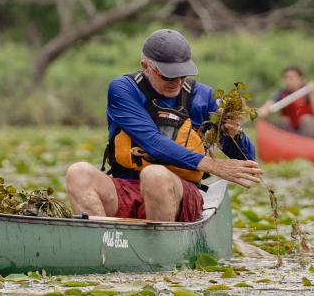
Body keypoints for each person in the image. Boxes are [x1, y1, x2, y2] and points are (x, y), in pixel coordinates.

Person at [65, 29, 264, 222]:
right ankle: (102, 244)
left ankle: (158, 252)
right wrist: (212, 165)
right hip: (126, 188)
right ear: (145, 66)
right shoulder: (123, 90)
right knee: (78, 172)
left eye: (183, 75)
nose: (177, 82)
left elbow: (246, 160)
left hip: (181, 193)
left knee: (155, 176)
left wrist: (235, 133)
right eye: (168, 76)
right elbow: (153, 142)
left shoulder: (204, 97)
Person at [256, 66, 314, 136]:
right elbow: (268, 105)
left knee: (306, 119)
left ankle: (308, 144)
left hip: (308, 132)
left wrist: (312, 93)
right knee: (284, 120)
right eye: (286, 78)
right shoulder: (281, 94)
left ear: (301, 79)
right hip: (290, 132)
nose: (289, 80)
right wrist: (262, 111)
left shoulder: (308, 92)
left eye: (292, 78)